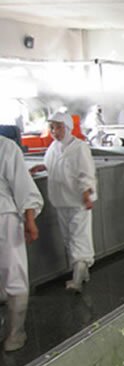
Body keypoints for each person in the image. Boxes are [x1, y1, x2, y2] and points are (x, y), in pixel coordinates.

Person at [31, 113, 97, 292]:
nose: (55, 131)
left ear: (68, 128)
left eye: (59, 127)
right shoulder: (53, 147)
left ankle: (77, 280)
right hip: (61, 200)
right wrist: (41, 167)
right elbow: (52, 165)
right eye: (52, 128)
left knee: (79, 237)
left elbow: (86, 172)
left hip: (78, 201)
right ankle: (82, 273)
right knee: (69, 238)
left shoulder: (79, 147)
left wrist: (86, 193)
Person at [0, 135, 43, 351]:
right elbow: (23, 188)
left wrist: (29, 221)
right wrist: (30, 222)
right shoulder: (6, 147)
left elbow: (22, 187)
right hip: (5, 218)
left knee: (12, 275)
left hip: (4, 216)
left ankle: (14, 332)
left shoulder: (6, 147)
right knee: (14, 275)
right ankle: (15, 335)